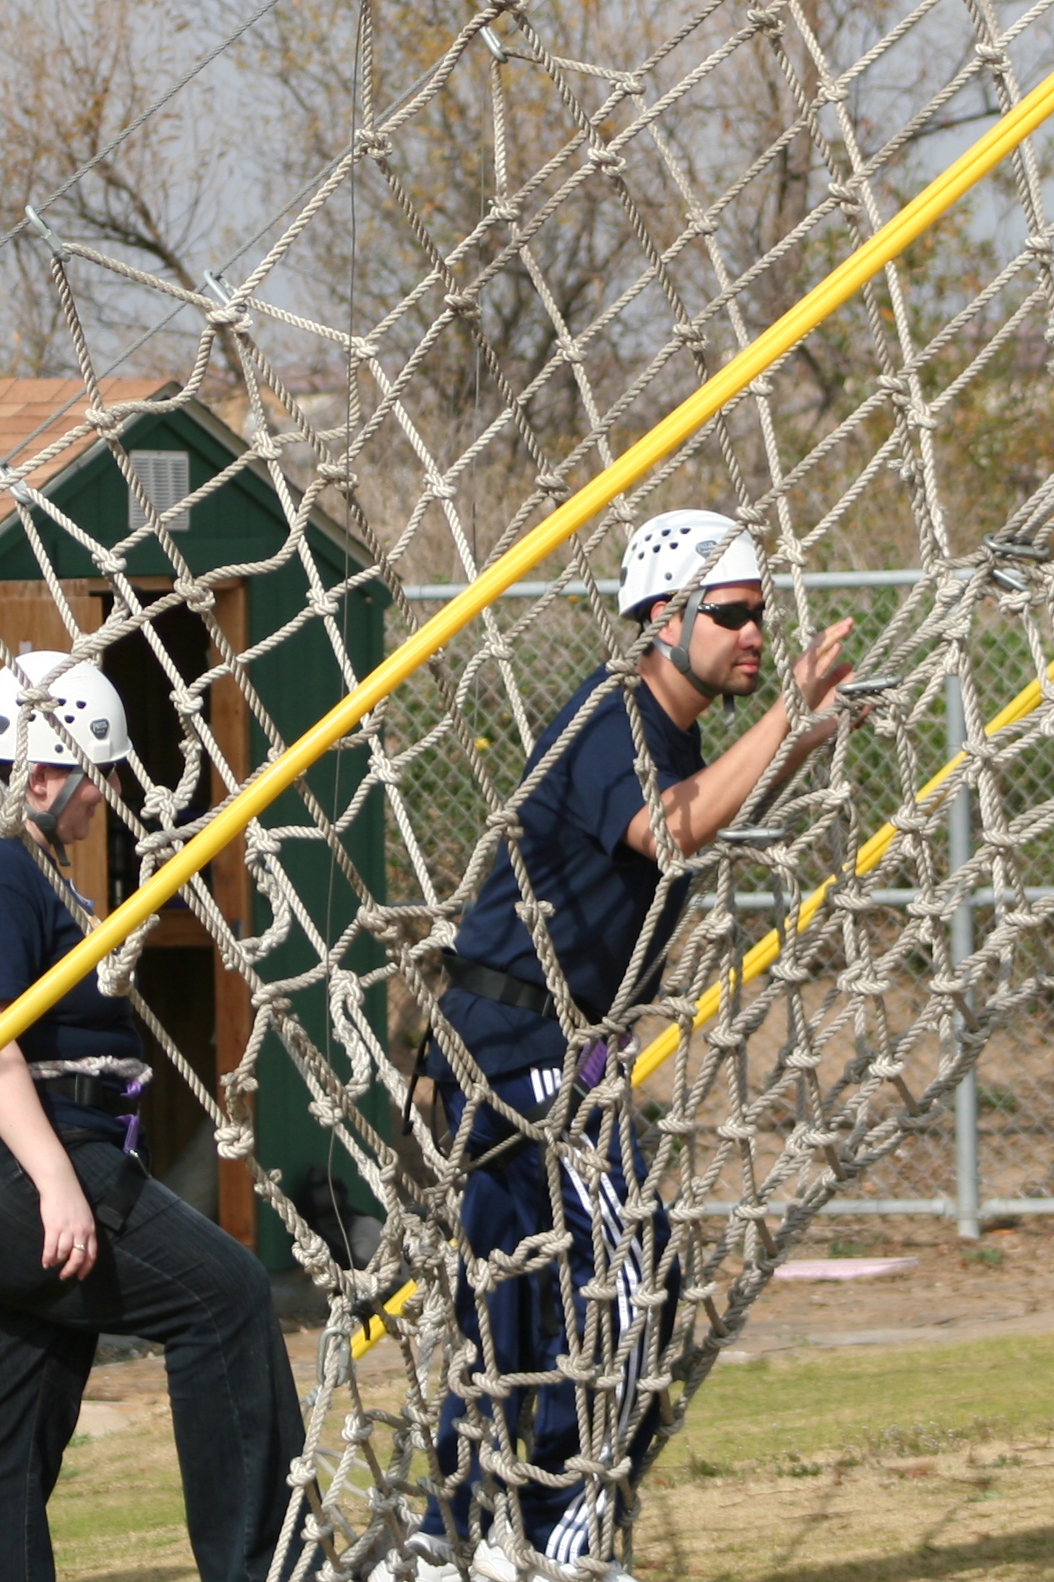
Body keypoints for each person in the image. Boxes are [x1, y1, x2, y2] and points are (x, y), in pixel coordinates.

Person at [415, 508, 856, 1577]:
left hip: (516, 1043)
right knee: (628, 1279)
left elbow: (701, 803)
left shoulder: (669, 731)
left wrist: (799, 735)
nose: (755, 634)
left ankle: (454, 1538)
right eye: (734, 613)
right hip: (520, 1044)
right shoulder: (616, 713)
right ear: (663, 618)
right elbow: (672, 827)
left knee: (517, 1303)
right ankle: (557, 1543)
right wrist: (789, 711)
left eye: (760, 615)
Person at [0, 651, 304, 1582]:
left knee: (16, 1415)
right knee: (225, 1298)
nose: (105, 796)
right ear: (38, 776)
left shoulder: (18, 858)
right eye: (96, 774)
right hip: (3, 1166)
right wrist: (56, 1184)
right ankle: (265, 1567)